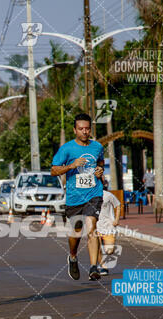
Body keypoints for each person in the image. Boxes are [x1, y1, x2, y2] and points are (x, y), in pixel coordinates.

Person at [51, 113, 105, 281]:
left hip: (93, 193)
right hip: (74, 197)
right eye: (81, 129)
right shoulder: (67, 149)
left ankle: (93, 267)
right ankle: (73, 257)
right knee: (76, 232)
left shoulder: (97, 147)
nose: (84, 132)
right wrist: (71, 165)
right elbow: (54, 171)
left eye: (87, 128)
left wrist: (100, 171)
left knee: (91, 225)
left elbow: (100, 163)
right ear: (75, 130)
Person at [96, 179, 122, 276]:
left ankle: (108, 247)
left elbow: (118, 205)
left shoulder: (108, 195)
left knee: (109, 251)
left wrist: (116, 220)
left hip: (109, 226)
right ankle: (103, 267)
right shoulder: (90, 196)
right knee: (96, 248)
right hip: (96, 226)